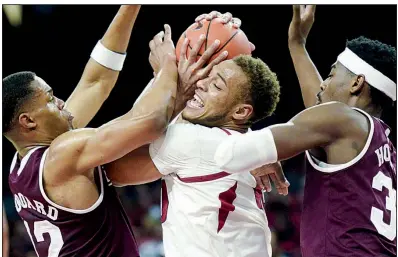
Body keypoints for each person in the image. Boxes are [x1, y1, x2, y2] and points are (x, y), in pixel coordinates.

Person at [214, 5, 397, 257]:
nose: (324, 82)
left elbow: (232, 154)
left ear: (357, 83)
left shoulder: (340, 119)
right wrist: (297, 43)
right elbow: (318, 105)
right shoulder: (380, 142)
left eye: (332, 74)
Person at [105, 15, 289, 256]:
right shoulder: (237, 138)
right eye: (206, 77)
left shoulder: (193, 142)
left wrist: (165, 75)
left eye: (216, 85)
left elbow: (111, 167)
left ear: (241, 112)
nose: (199, 85)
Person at [3, 5, 180, 256]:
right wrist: (167, 67)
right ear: (28, 121)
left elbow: (96, 81)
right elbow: (149, 123)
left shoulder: (20, 165)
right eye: (51, 99)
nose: (62, 102)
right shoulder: (61, 156)